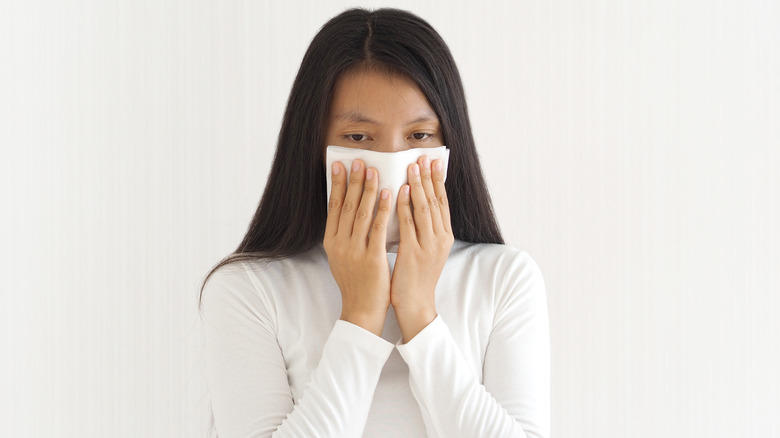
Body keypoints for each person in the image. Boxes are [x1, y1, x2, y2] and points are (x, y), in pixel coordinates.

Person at [198, 7, 550, 438]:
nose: (391, 164)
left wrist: (420, 313)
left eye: (419, 136)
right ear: (313, 143)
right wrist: (360, 316)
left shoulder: (504, 278)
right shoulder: (248, 290)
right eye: (359, 138)